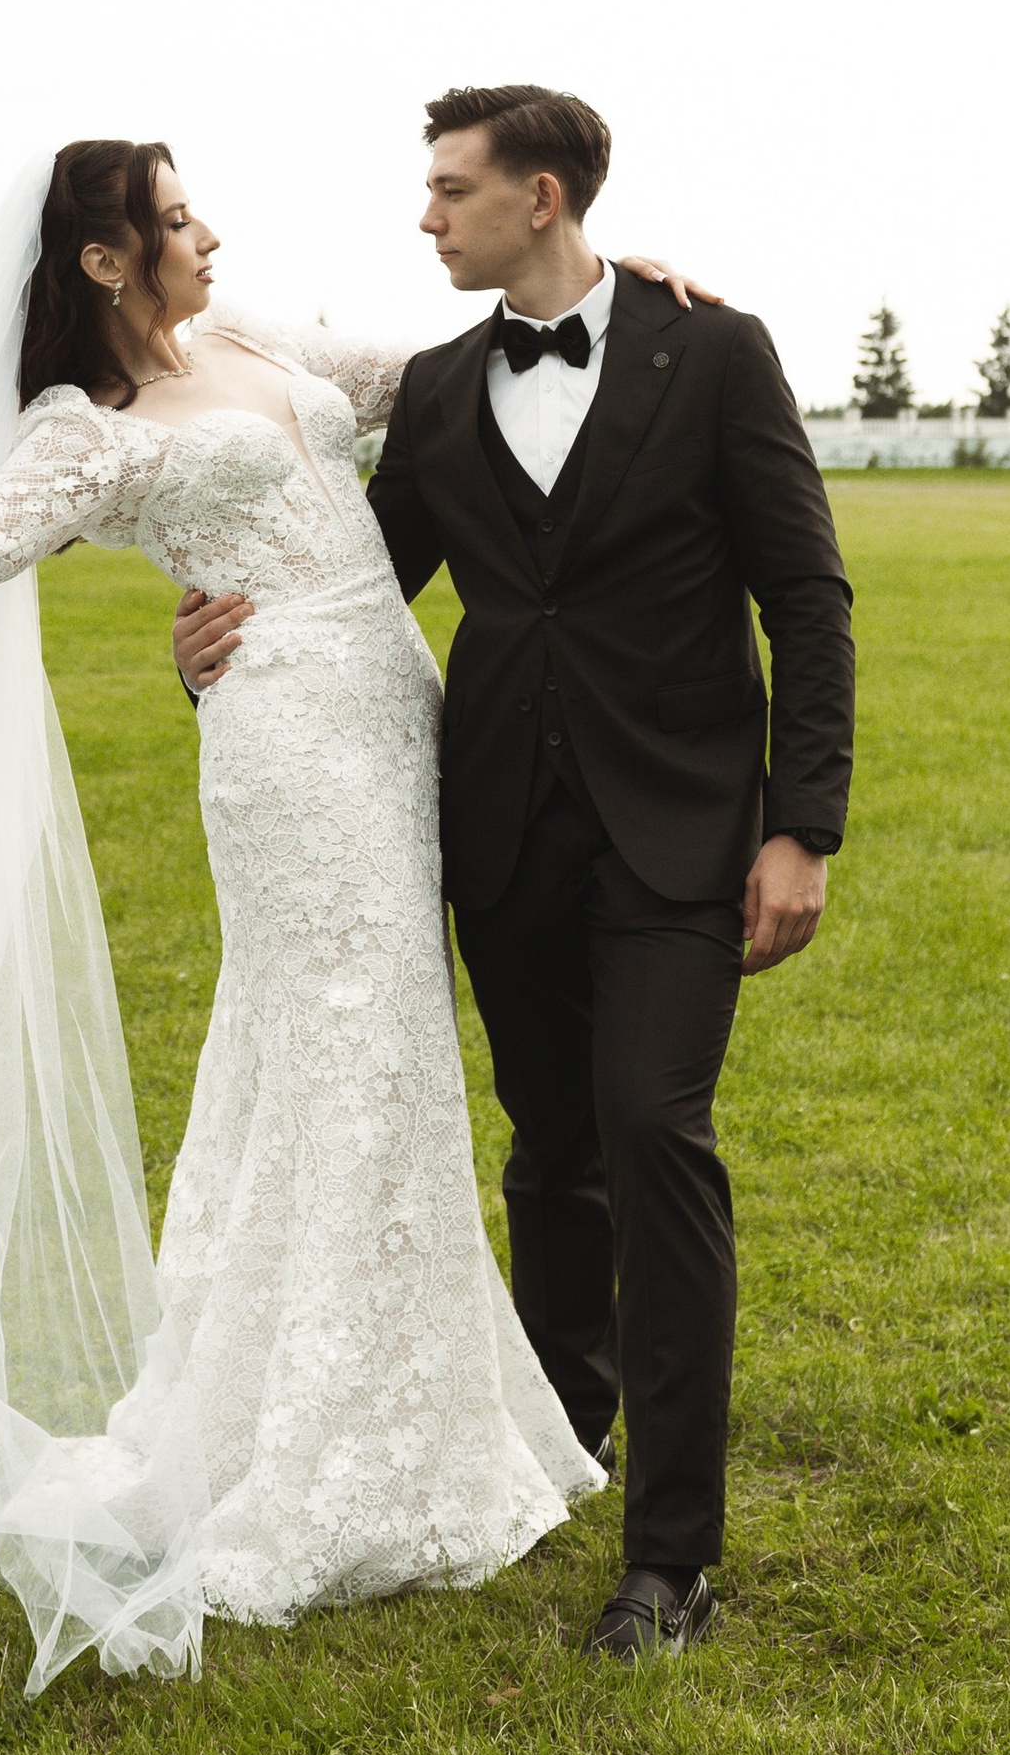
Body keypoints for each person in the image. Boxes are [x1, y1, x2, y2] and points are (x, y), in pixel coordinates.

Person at [0, 143, 709, 1647]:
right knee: (349, 1068)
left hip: (400, 730)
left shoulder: (252, 338)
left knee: (362, 1070)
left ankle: (381, 1397)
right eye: (176, 218)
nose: (207, 232)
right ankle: (325, 1447)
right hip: (287, 761)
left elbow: (447, 374)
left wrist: (607, 287)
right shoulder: (86, 433)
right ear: (107, 262)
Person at [175, 86, 854, 1662]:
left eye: (451, 191)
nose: (427, 218)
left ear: (540, 196)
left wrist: (799, 825)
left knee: (652, 1133)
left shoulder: (715, 354)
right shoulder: (437, 387)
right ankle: (566, 1437)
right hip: (498, 837)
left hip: (684, 829)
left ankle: (670, 1559)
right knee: (552, 1152)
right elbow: (350, 585)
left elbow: (806, 601)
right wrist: (215, 650)